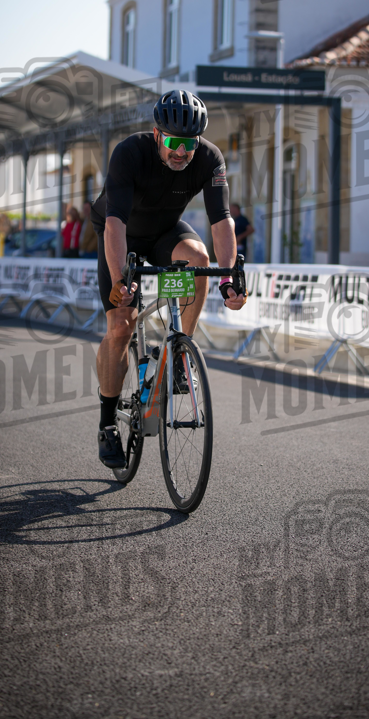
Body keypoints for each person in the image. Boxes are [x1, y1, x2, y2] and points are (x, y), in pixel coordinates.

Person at [90, 89, 247, 469]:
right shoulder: (129, 153)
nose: (182, 152)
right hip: (120, 232)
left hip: (163, 234)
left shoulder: (209, 159)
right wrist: (120, 281)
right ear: (158, 134)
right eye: (174, 142)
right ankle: (108, 422)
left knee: (198, 260)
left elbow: (221, 220)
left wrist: (228, 280)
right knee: (120, 326)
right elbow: (114, 223)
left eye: (189, 143)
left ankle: (179, 352)